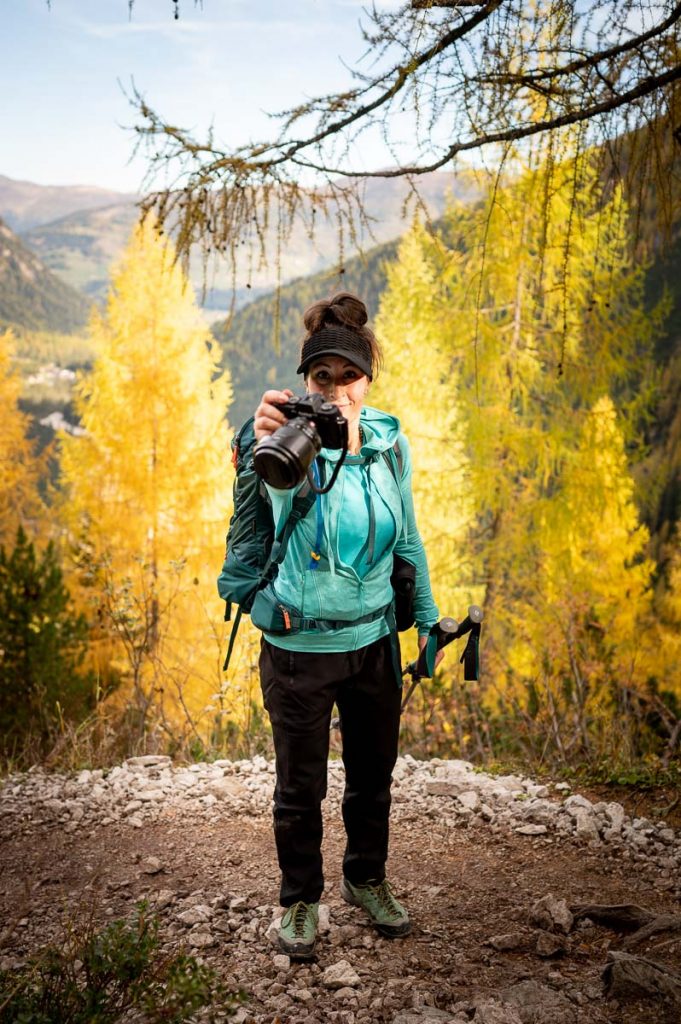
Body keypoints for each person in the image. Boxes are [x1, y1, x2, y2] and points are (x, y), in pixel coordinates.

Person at [252, 291, 443, 958]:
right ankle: (300, 901)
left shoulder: (390, 445)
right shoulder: (289, 442)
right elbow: (275, 491)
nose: (335, 389)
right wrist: (264, 441)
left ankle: (365, 878)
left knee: (372, 776)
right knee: (300, 786)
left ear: (367, 379)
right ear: (307, 381)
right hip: (299, 647)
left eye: (348, 375)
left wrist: (426, 621)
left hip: (374, 643)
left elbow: (408, 538)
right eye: (321, 375)